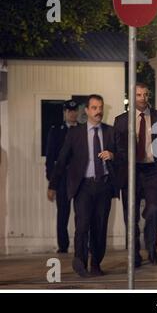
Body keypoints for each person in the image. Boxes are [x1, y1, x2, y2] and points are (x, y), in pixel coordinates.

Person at [47, 94, 119, 278]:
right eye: (94, 108)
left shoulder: (110, 132)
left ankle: (96, 264)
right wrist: (53, 185)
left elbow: (124, 156)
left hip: (103, 186)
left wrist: (113, 155)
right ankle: (79, 261)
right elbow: (62, 160)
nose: (99, 111)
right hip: (83, 187)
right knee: (82, 225)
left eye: (100, 107)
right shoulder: (75, 133)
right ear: (86, 111)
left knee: (100, 227)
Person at [114, 82, 157, 267]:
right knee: (131, 216)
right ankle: (134, 254)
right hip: (131, 171)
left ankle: (152, 247)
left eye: (145, 94)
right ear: (132, 96)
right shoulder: (121, 120)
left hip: (153, 171)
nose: (143, 98)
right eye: (138, 95)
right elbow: (118, 148)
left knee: (154, 210)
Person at [45, 99, 79, 253]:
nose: (72, 114)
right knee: (63, 214)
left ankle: (81, 244)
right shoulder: (56, 130)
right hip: (62, 179)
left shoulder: (82, 129)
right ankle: (63, 246)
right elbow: (50, 157)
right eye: (69, 111)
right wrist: (52, 182)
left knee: (82, 214)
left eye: (74, 111)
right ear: (64, 113)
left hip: (79, 178)